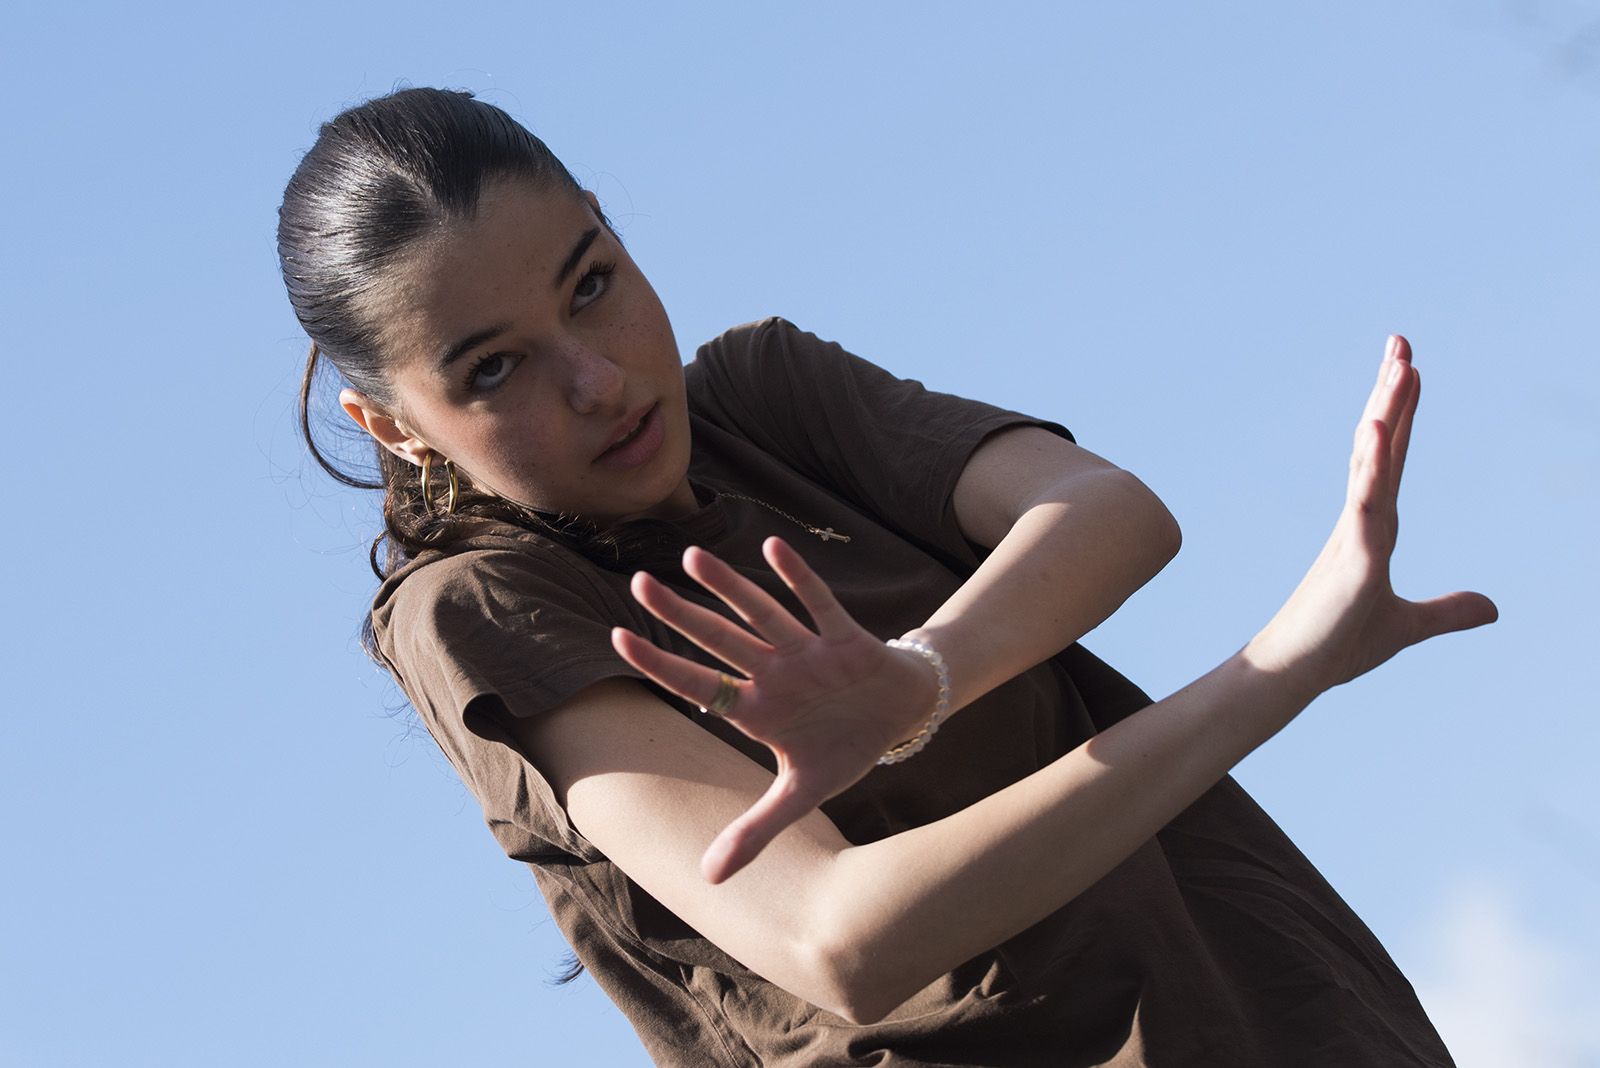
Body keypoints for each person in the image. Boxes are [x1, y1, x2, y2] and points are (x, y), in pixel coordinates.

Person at [277, 86, 1496, 1066]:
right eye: (492, 370)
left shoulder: (766, 396)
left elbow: (1107, 514)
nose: (595, 379)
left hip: (1298, 1016)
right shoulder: (476, 608)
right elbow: (839, 938)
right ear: (393, 427)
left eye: (592, 284)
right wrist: (1280, 669)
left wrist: (920, 684)